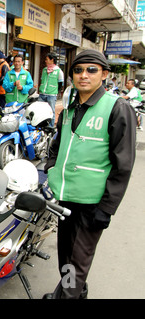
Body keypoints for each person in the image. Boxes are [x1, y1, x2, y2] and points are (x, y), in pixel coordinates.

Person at [44, 49, 136, 299]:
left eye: (91, 70)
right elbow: (57, 145)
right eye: (78, 70)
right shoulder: (70, 110)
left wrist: (106, 208)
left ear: (104, 74)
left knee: (76, 264)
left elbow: (123, 164)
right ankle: (75, 291)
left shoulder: (117, 108)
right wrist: (51, 168)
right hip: (65, 198)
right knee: (65, 256)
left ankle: (69, 294)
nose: (84, 75)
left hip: (92, 204)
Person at [38, 53, 64, 124]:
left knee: (51, 111)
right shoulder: (44, 70)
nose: (45, 61)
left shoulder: (58, 71)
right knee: (40, 111)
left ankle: (51, 127)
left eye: (47, 59)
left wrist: (55, 92)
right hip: (42, 94)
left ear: (52, 60)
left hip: (51, 95)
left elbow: (60, 83)